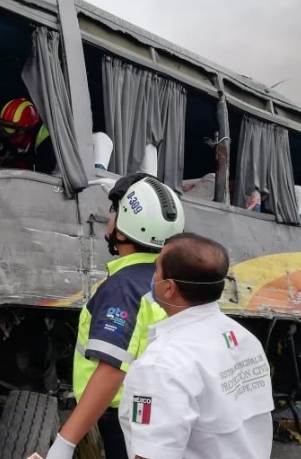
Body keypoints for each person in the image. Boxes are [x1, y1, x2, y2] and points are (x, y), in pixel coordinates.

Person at [47, 173, 185, 459]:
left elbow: (111, 369)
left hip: (126, 420)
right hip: (160, 413)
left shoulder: (122, 287)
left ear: (122, 233)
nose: (109, 218)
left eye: (114, 212)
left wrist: (66, 441)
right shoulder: (169, 281)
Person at [117, 233, 273, 459]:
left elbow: (153, 454)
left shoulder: (162, 365)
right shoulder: (244, 339)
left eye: (156, 269)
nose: (152, 277)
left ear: (169, 287)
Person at [0, 97, 56, 174]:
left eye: (11, 129)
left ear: (27, 128)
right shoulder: (5, 141)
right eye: (3, 127)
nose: (7, 134)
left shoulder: (46, 143)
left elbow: (44, 175)